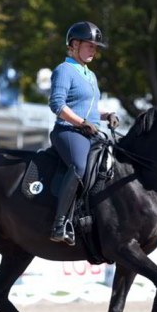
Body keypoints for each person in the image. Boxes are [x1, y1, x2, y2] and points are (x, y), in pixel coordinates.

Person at [48, 21, 119, 246]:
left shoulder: (90, 75)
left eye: (95, 47)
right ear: (74, 44)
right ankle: (59, 223)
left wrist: (107, 115)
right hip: (68, 131)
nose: (93, 51)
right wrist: (81, 123)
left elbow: (89, 104)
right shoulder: (64, 70)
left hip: (90, 132)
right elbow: (57, 105)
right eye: (89, 46)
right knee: (80, 165)